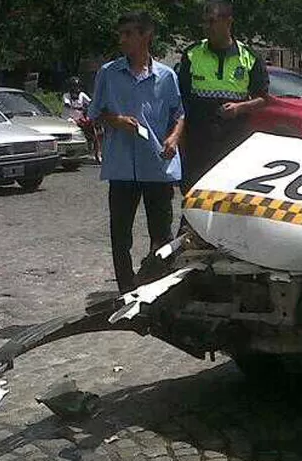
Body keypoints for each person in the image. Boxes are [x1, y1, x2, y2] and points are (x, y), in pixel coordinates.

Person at [88, 11, 185, 293]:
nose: (123, 40)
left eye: (129, 33)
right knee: (120, 235)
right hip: (121, 168)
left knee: (162, 235)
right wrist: (115, 120)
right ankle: (126, 290)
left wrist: (174, 138)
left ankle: (159, 287)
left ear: (146, 35)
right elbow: (96, 113)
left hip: (157, 166)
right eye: (121, 34)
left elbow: (179, 113)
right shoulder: (108, 73)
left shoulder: (166, 76)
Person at [178, 0, 269, 188]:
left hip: (233, 141)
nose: (207, 27)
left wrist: (240, 107)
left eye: (212, 21)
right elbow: (180, 101)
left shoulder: (249, 57)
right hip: (199, 142)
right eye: (205, 22)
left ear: (228, 22)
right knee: (194, 199)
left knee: (229, 197)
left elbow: (263, 99)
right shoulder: (192, 54)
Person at [63, 76, 101, 163]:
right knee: (72, 129)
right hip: (70, 118)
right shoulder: (66, 96)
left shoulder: (82, 95)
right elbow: (67, 104)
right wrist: (77, 107)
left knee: (94, 131)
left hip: (81, 118)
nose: (76, 89)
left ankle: (97, 153)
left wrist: (91, 106)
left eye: (77, 86)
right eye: (74, 86)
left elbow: (90, 102)